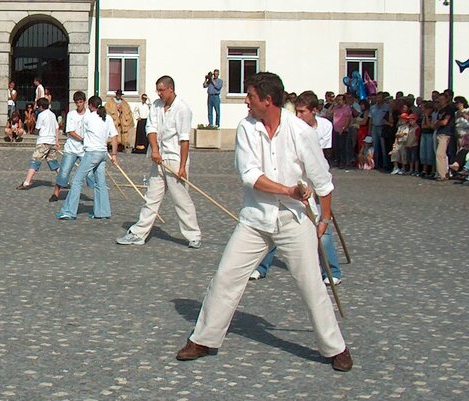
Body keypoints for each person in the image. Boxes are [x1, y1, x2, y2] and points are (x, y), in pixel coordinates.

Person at [175, 72, 352, 372]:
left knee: (311, 285)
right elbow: (250, 175)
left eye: (250, 96)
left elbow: (323, 181)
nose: (246, 101)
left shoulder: (300, 131)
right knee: (225, 277)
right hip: (255, 218)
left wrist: (323, 220)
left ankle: (335, 348)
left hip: (294, 219)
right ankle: (204, 338)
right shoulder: (246, 128)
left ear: (267, 100)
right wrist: (288, 190)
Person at [250, 91, 342, 284]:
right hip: (291, 184)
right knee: (273, 223)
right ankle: (261, 266)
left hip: (313, 182)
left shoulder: (323, 127)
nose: (299, 115)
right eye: (297, 111)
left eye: (303, 112)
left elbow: (322, 160)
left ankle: (331, 271)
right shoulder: (288, 126)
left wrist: (319, 191)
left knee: (322, 228)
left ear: (314, 111)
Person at [117, 76, 201, 248]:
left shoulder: (182, 109)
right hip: (158, 158)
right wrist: (154, 150)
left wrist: (183, 167)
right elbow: (151, 128)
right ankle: (138, 234)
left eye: (162, 90)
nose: (159, 94)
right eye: (158, 90)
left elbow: (185, 140)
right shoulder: (156, 105)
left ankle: (193, 235)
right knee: (151, 198)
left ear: (171, 89)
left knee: (181, 200)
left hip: (175, 159)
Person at [56, 95, 117, 220]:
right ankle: (102, 212)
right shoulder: (108, 118)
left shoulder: (88, 117)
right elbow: (114, 137)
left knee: (77, 180)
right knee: (100, 182)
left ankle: (69, 211)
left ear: (90, 106)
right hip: (103, 153)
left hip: (91, 153)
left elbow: (81, 132)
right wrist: (114, 155)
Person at [51, 91, 89, 203]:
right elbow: (70, 132)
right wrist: (83, 139)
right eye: (77, 102)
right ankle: (56, 193)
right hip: (71, 149)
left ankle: (97, 194)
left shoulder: (90, 115)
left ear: (84, 102)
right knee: (64, 171)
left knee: (91, 173)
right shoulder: (71, 114)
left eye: (80, 102)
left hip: (84, 150)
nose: (79, 104)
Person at [16, 97, 60, 191]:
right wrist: (56, 141)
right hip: (51, 141)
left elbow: (38, 128)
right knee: (53, 162)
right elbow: (56, 128)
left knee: (35, 161)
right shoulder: (52, 114)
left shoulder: (41, 115)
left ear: (40, 106)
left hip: (43, 141)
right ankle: (64, 181)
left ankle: (26, 182)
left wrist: (34, 131)